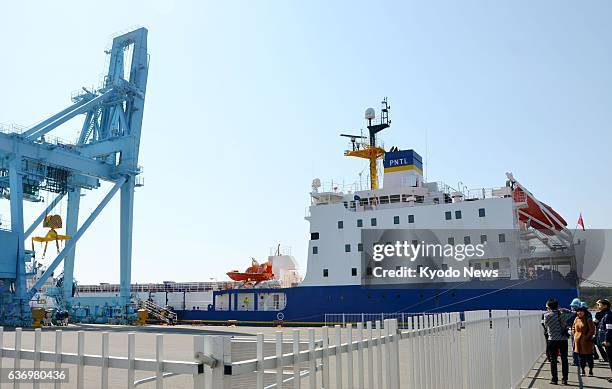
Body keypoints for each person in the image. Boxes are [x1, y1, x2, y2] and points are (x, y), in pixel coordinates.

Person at [543, 298, 574, 385]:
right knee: (564, 359)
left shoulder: (547, 315)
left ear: (548, 307)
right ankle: (565, 379)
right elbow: (574, 313)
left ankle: (554, 379)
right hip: (563, 340)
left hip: (552, 340)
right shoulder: (564, 314)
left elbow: (545, 326)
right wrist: (565, 309)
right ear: (557, 306)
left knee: (553, 360)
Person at [573, 305, 596, 376]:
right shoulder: (576, 319)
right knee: (580, 356)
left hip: (587, 341)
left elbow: (592, 330)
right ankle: (583, 370)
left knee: (589, 356)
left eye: (581, 311)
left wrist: (586, 337)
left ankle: (590, 370)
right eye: (578, 311)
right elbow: (573, 327)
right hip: (578, 340)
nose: (579, 312)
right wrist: (574, 335)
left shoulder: (588, 319)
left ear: (584, 312)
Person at [596, 298, 612, 383]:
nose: (598, 306)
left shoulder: (608, 315)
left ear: (605, 306)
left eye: (599, 304)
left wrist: (607, 340)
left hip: (609, 341)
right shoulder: (606, 314)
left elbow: (609, 329)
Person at [569, 298, 581, 366]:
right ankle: (581, 360)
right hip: (582, 332)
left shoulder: (572, 314)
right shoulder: (583, 313)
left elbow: (568, 322)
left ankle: (576, 361)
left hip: (574, 332)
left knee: (574, 347)